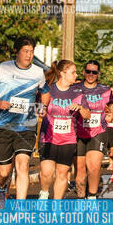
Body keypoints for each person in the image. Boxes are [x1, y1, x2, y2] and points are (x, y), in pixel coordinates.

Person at [0, 36, 50, 208]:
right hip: (4, 126)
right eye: (26, 51)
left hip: (27, 126)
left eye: (32, 51)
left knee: (23, 164)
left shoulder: (37, 73)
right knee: (4, 172)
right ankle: (2, 187)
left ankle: (20, 208)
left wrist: (44, 106)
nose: (29, 55)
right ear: (17, 52)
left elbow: (45, 92)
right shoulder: (3, 69)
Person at [38, 60, 90, 199]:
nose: (76, 75)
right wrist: (41, 112)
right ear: (62, 73)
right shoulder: (48, 90)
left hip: (68, 139)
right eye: (73, 72)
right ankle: (44, 192)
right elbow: (39, 107)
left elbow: (87, 115)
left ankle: (56, 205)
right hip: (48, 138)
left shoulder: (78, 92)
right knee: (46, 173)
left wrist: (80, 108)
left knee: (62, 173)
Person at [72, 60, 113, 200]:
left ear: (98, 74)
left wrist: (112, 114)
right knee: (80, 170)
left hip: (98, 132)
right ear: (84, 72)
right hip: (77, 132)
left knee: (94, 166)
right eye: (88, 71)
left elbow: (112, 104)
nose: (91, 74)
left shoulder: (105, 89)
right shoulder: (75, 88)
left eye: (94, 72)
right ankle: (80, 199)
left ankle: (91, 197)